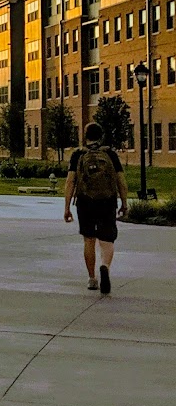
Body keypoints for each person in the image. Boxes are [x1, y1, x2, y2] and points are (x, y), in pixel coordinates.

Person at [63, 122, 129, 295]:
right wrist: (124, 203)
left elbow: (70, 181)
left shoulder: (78, 155)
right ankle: (104, 266)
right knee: (107, 240)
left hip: (85, 202)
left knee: (89, 239)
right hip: (107, 201)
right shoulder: (110, 154)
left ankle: (92, 278)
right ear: (101, 136)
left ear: (85, 136)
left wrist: (67, 207)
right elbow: (121, 180)